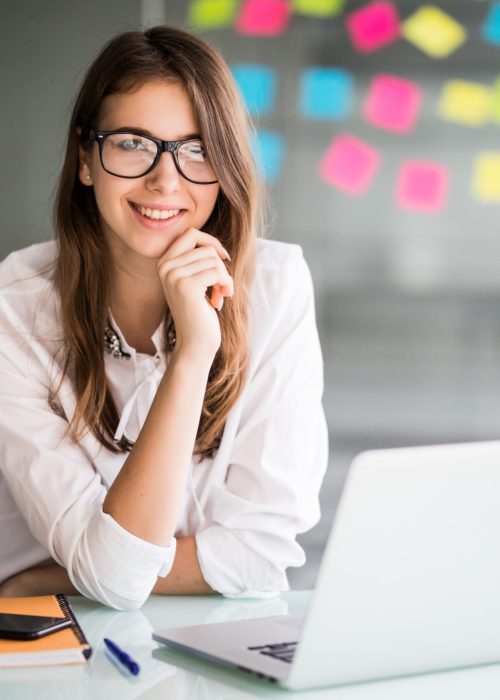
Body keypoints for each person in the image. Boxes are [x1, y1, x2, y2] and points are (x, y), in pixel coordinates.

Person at [0, 26, 328, 610]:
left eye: (197, 148)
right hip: (69, 653)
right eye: (132, 143)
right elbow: (115, 579)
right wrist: (191, 359)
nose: (165, 180)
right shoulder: (17, 304)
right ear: (85, 158)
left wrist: (54, 576)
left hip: (224, 643)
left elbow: (265, 553)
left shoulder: (275, 285)